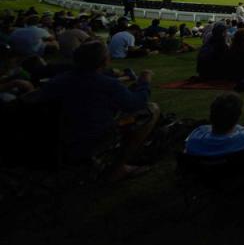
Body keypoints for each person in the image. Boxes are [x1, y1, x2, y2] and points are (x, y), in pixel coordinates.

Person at [31, 40, 158, 181]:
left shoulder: (56, 81)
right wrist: (145, 82)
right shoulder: (108, 85)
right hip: (90, 142)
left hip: (54, 141)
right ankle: (118, 168)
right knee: (151, 110)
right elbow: (136, 103)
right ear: (105, 62)